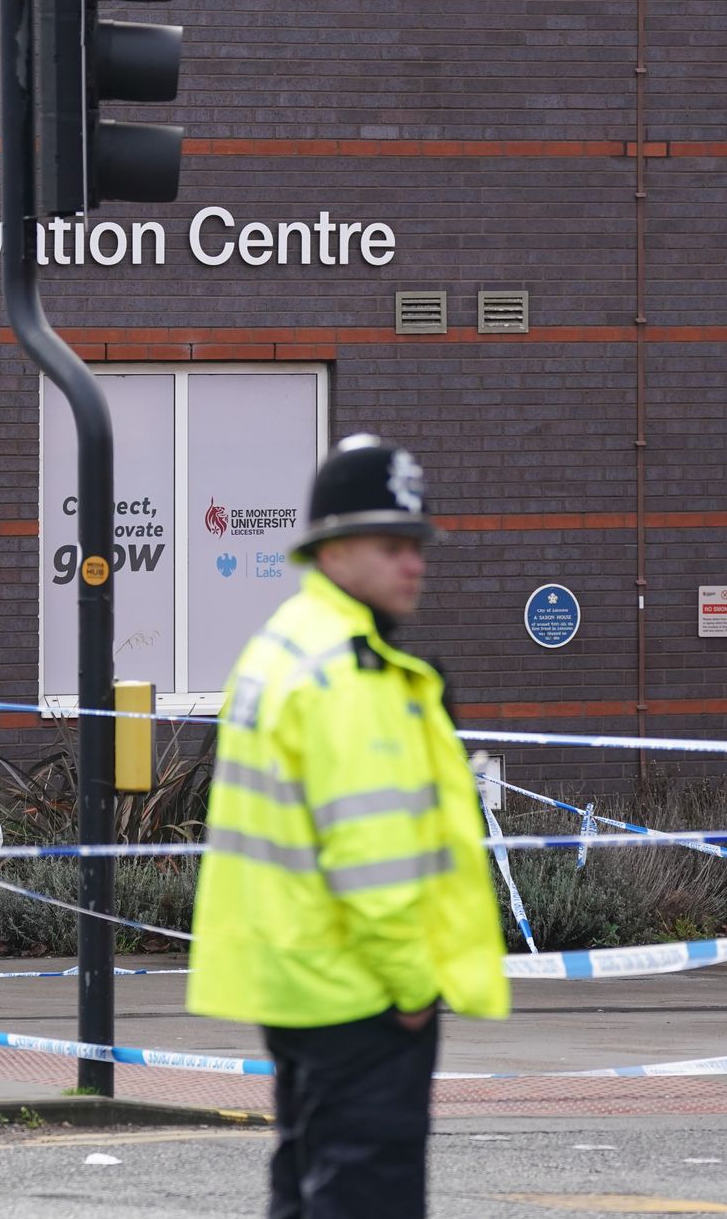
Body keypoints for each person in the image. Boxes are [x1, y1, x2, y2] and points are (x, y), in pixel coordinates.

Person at [187, 434, 510, 1219]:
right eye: (391, 545)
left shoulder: (284, 643)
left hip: (295, 982)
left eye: (418, 544)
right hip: (362, 992)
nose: (414, 562)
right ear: (332, 548)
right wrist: (412, 987)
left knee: (306, 1191)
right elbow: (372, 854)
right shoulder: (348, 673)